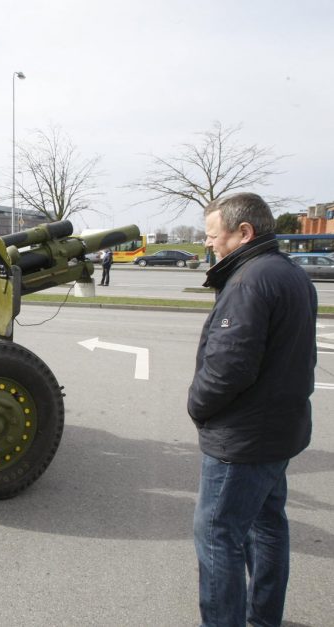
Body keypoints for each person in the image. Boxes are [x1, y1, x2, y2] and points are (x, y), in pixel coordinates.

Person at [188, 192, 316, 627]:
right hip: (279, 431)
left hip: (242, 439)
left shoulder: (248, 281)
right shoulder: (289, 274)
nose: (209, 244)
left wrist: (197, 407)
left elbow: (228, 369)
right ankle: (263, 619)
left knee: (218, 536)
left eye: (213, 235)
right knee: (267, 528)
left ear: (243, 232)